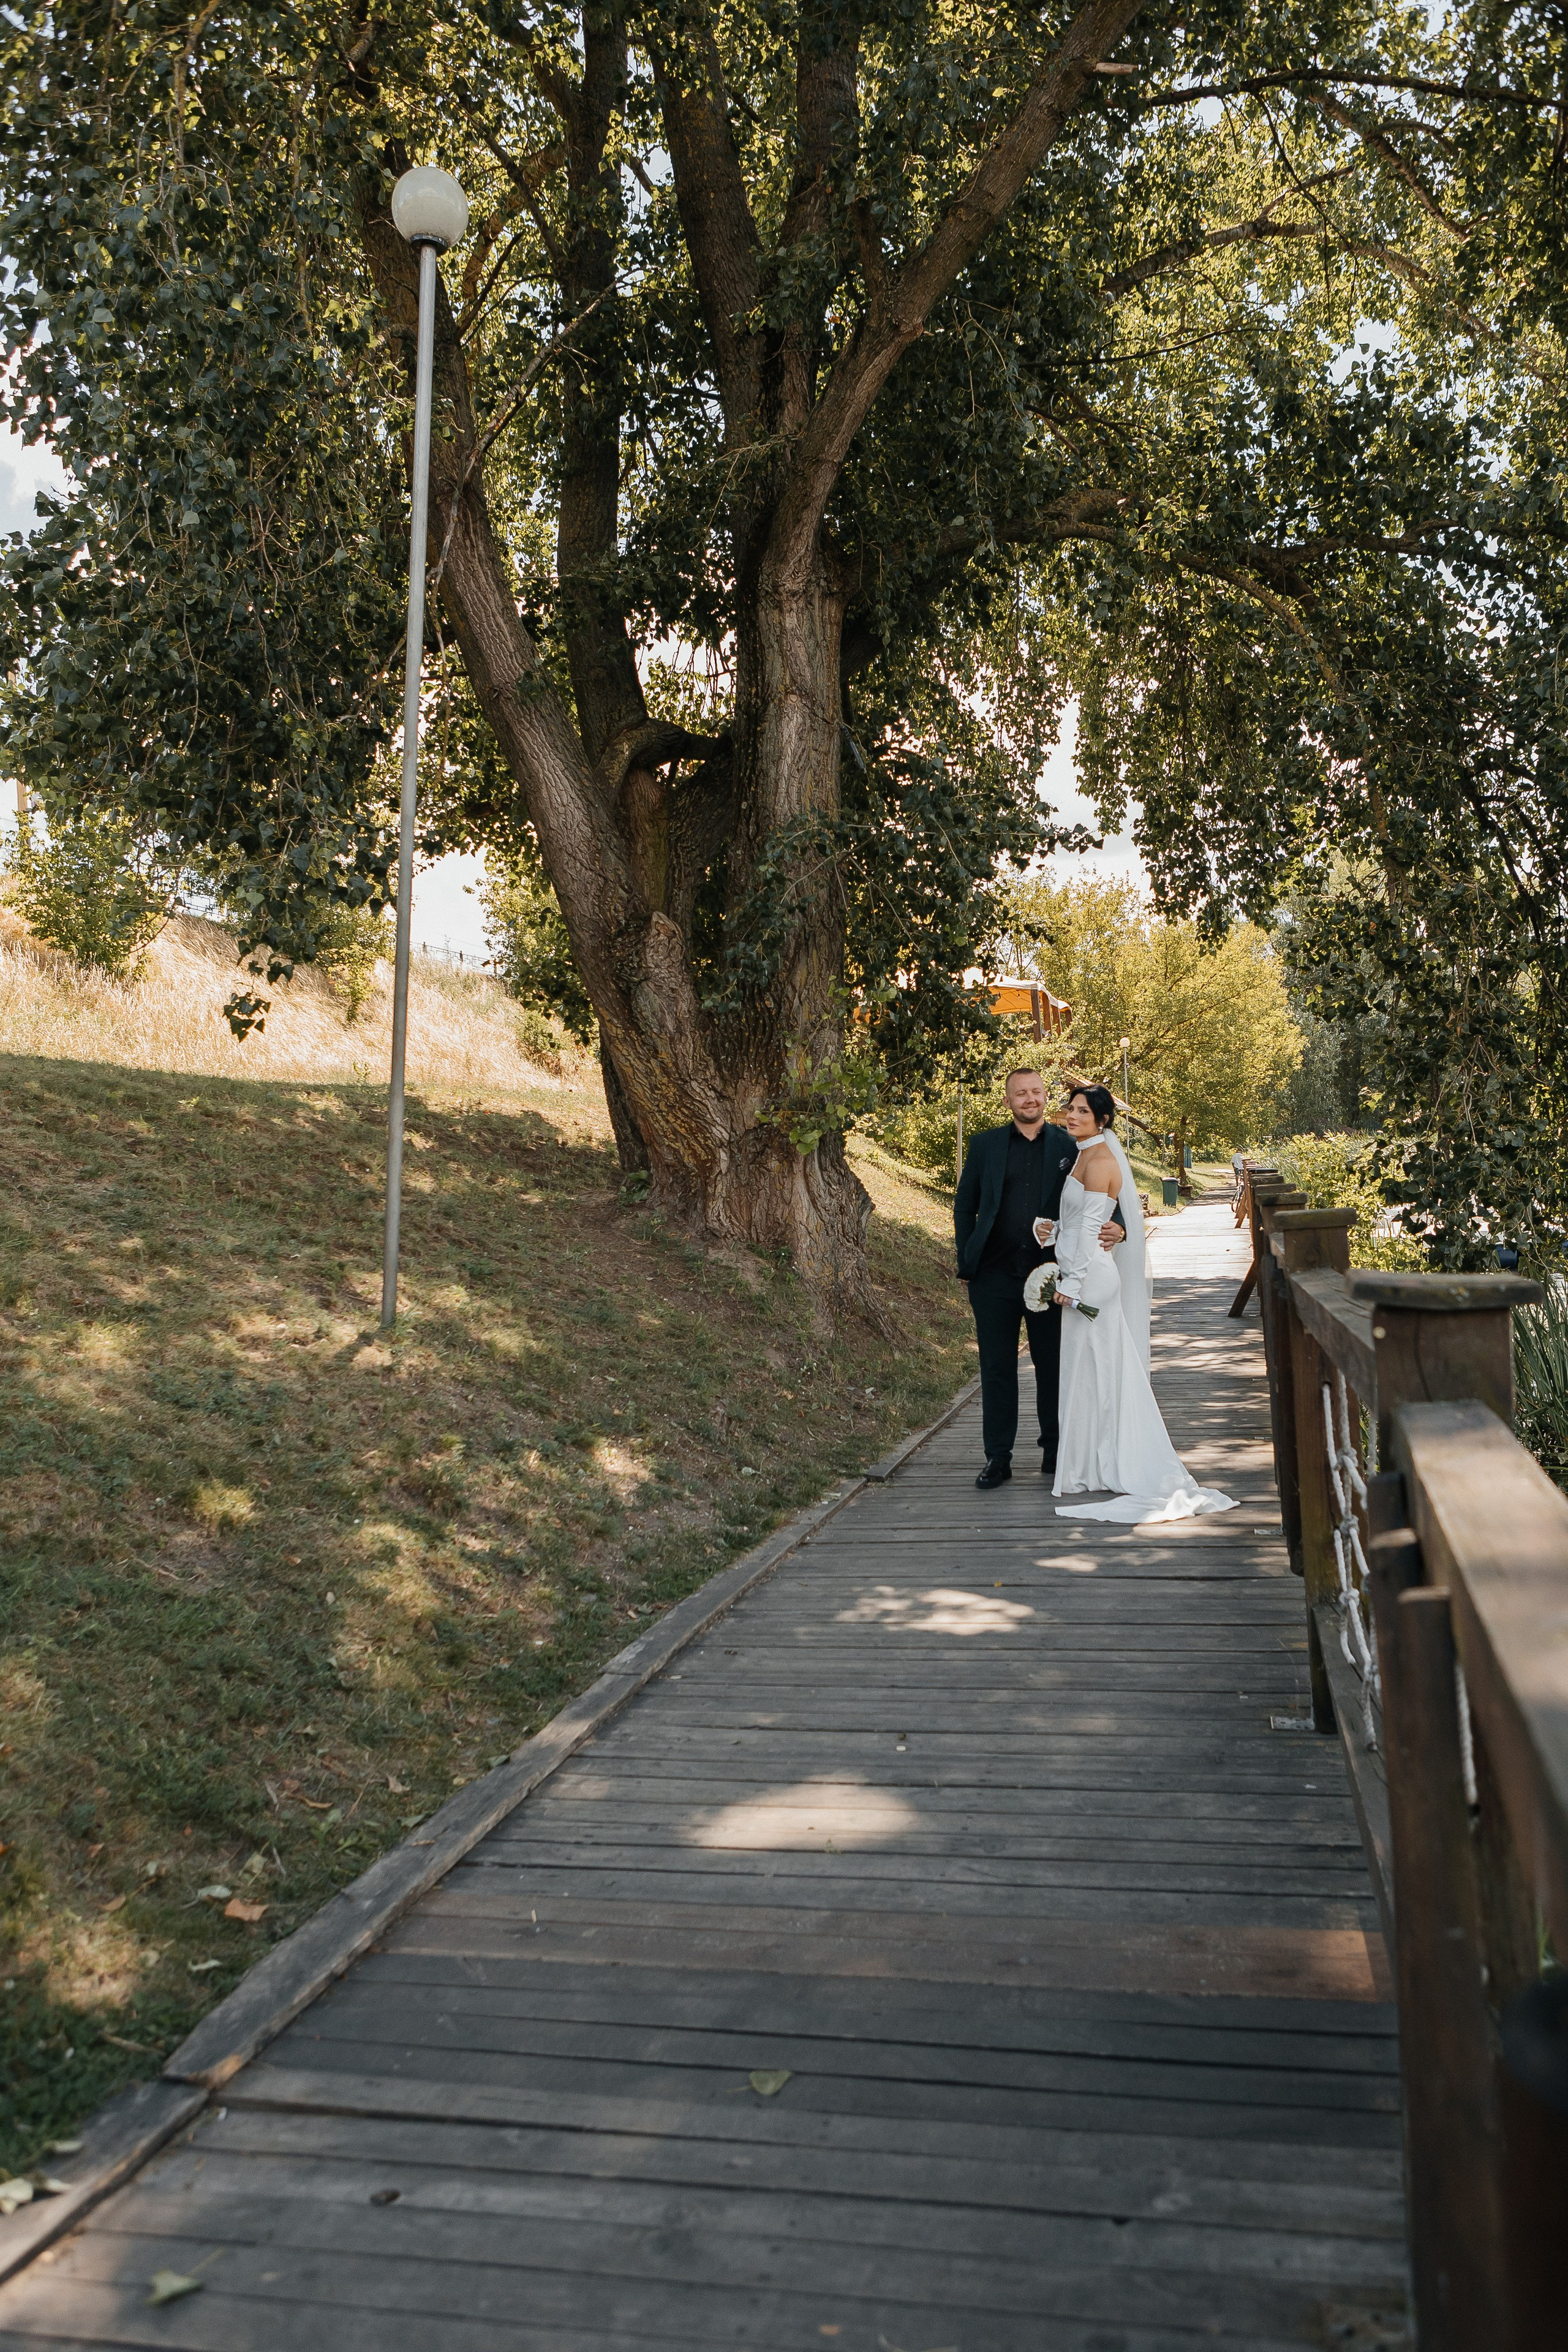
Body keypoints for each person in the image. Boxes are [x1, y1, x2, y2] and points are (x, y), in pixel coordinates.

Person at [1047, 1085, 1234, 1523]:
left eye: (1081, 1111)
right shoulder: (1083, 1154)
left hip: (1091, 1279)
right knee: (1087, 1371)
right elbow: (1075, 1226)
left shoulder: (1101, 1161)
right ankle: (1090, 1466)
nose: (1072, 1116)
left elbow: (1094, 1231)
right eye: (1070, 1109)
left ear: (1103, 1120)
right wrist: (1050, 1232)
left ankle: (1110, 1461)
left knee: (1098, 1369)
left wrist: (1071, 1283)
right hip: (1084, 1274)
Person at [954, 1067, 1125, 1490]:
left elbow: (1104, 1198)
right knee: (996, 1369)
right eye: (1020, 1094)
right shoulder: (985, 1146)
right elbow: (965, 1208)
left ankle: (1055, 1451)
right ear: (1008, 1100)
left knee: (1054, 1367)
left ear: (1045, 1097)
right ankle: (998, 1458)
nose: (1029, 1099)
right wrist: (967, 1260)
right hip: (993, 1277)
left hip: (1054, 1277)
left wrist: (1118, 1226)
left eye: (1035, 1092)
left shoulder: (1074, 1144)